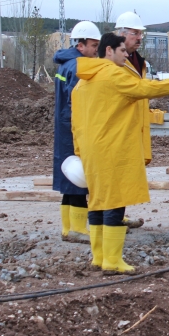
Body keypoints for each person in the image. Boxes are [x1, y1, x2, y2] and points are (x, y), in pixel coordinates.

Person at [72, 33, 169, 275]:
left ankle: (98, 258)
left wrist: (80, 151)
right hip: (114, 149)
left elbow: (75, 122)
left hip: (91, 151)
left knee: (97, 202)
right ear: (108, 51)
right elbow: (145, 87)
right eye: (122, 51)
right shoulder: (114, 74)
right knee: (115, 203)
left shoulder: (82, 82)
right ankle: (113, 260)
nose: (127, 55)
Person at [52, 20, 100, 243]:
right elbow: (76, 102)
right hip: (74, 127)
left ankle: (67, 227)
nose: (96, 50)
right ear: (80, 45)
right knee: (79, 178)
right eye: (93, 45)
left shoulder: (65, 64)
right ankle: (79, 229)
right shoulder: (78, 66)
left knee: (68, 177)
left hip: (64, 127)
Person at [112, 11, 156, 230]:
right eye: (135, 33)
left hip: (136, 125)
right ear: (121, 34)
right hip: (120, 127)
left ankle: (119, 215)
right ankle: (111, 220)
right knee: (117, 173)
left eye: (141, 34)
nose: (139, 38)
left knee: (128, 173)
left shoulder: (139, 62)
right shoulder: (113, 63)